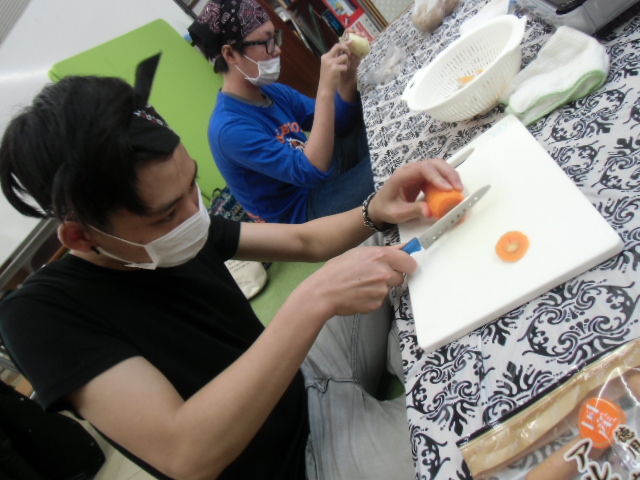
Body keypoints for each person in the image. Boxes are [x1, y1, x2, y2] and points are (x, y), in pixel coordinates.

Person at [0, 56, 463, 480]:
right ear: (80, 237)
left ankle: (413, 351)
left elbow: (305, 240)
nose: (194, 215)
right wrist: (310, 302)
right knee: (475, 439)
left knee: (395, 237)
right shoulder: (39, 316)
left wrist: (374, 210)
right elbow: (185, 452)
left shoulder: (184, 226)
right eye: (167, 214)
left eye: (192, 184)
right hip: (300, 462)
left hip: (304, 375)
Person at [188, 0, 374, 224]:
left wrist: (348, 74)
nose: (277, 49)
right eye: (266, 42)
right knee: (390, 166)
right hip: (302, 217)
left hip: (319, 180)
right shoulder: (229, 129)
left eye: (275, 38)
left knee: (375, 119)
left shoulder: (271, 92)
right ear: (230, 54)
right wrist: (325, 90)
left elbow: (340, 122)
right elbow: (311, 170)